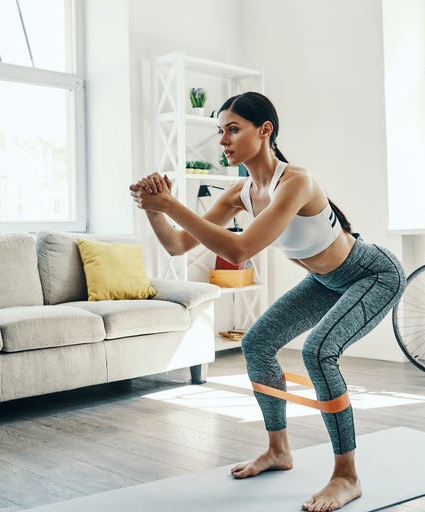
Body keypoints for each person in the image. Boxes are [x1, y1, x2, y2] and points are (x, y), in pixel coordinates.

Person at [129, 91, 405, 512]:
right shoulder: (241, 191)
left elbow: (240, 251)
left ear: (265, 130)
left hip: (373, 274)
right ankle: (278, 451)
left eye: (233, 129)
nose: (223, 140)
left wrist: (170, 203)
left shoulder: (297, 181)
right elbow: (178, 245)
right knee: (256, 343)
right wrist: (154, 210)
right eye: (220, 131)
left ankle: (347, 476)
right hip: (325, 280)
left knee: (318, 352)